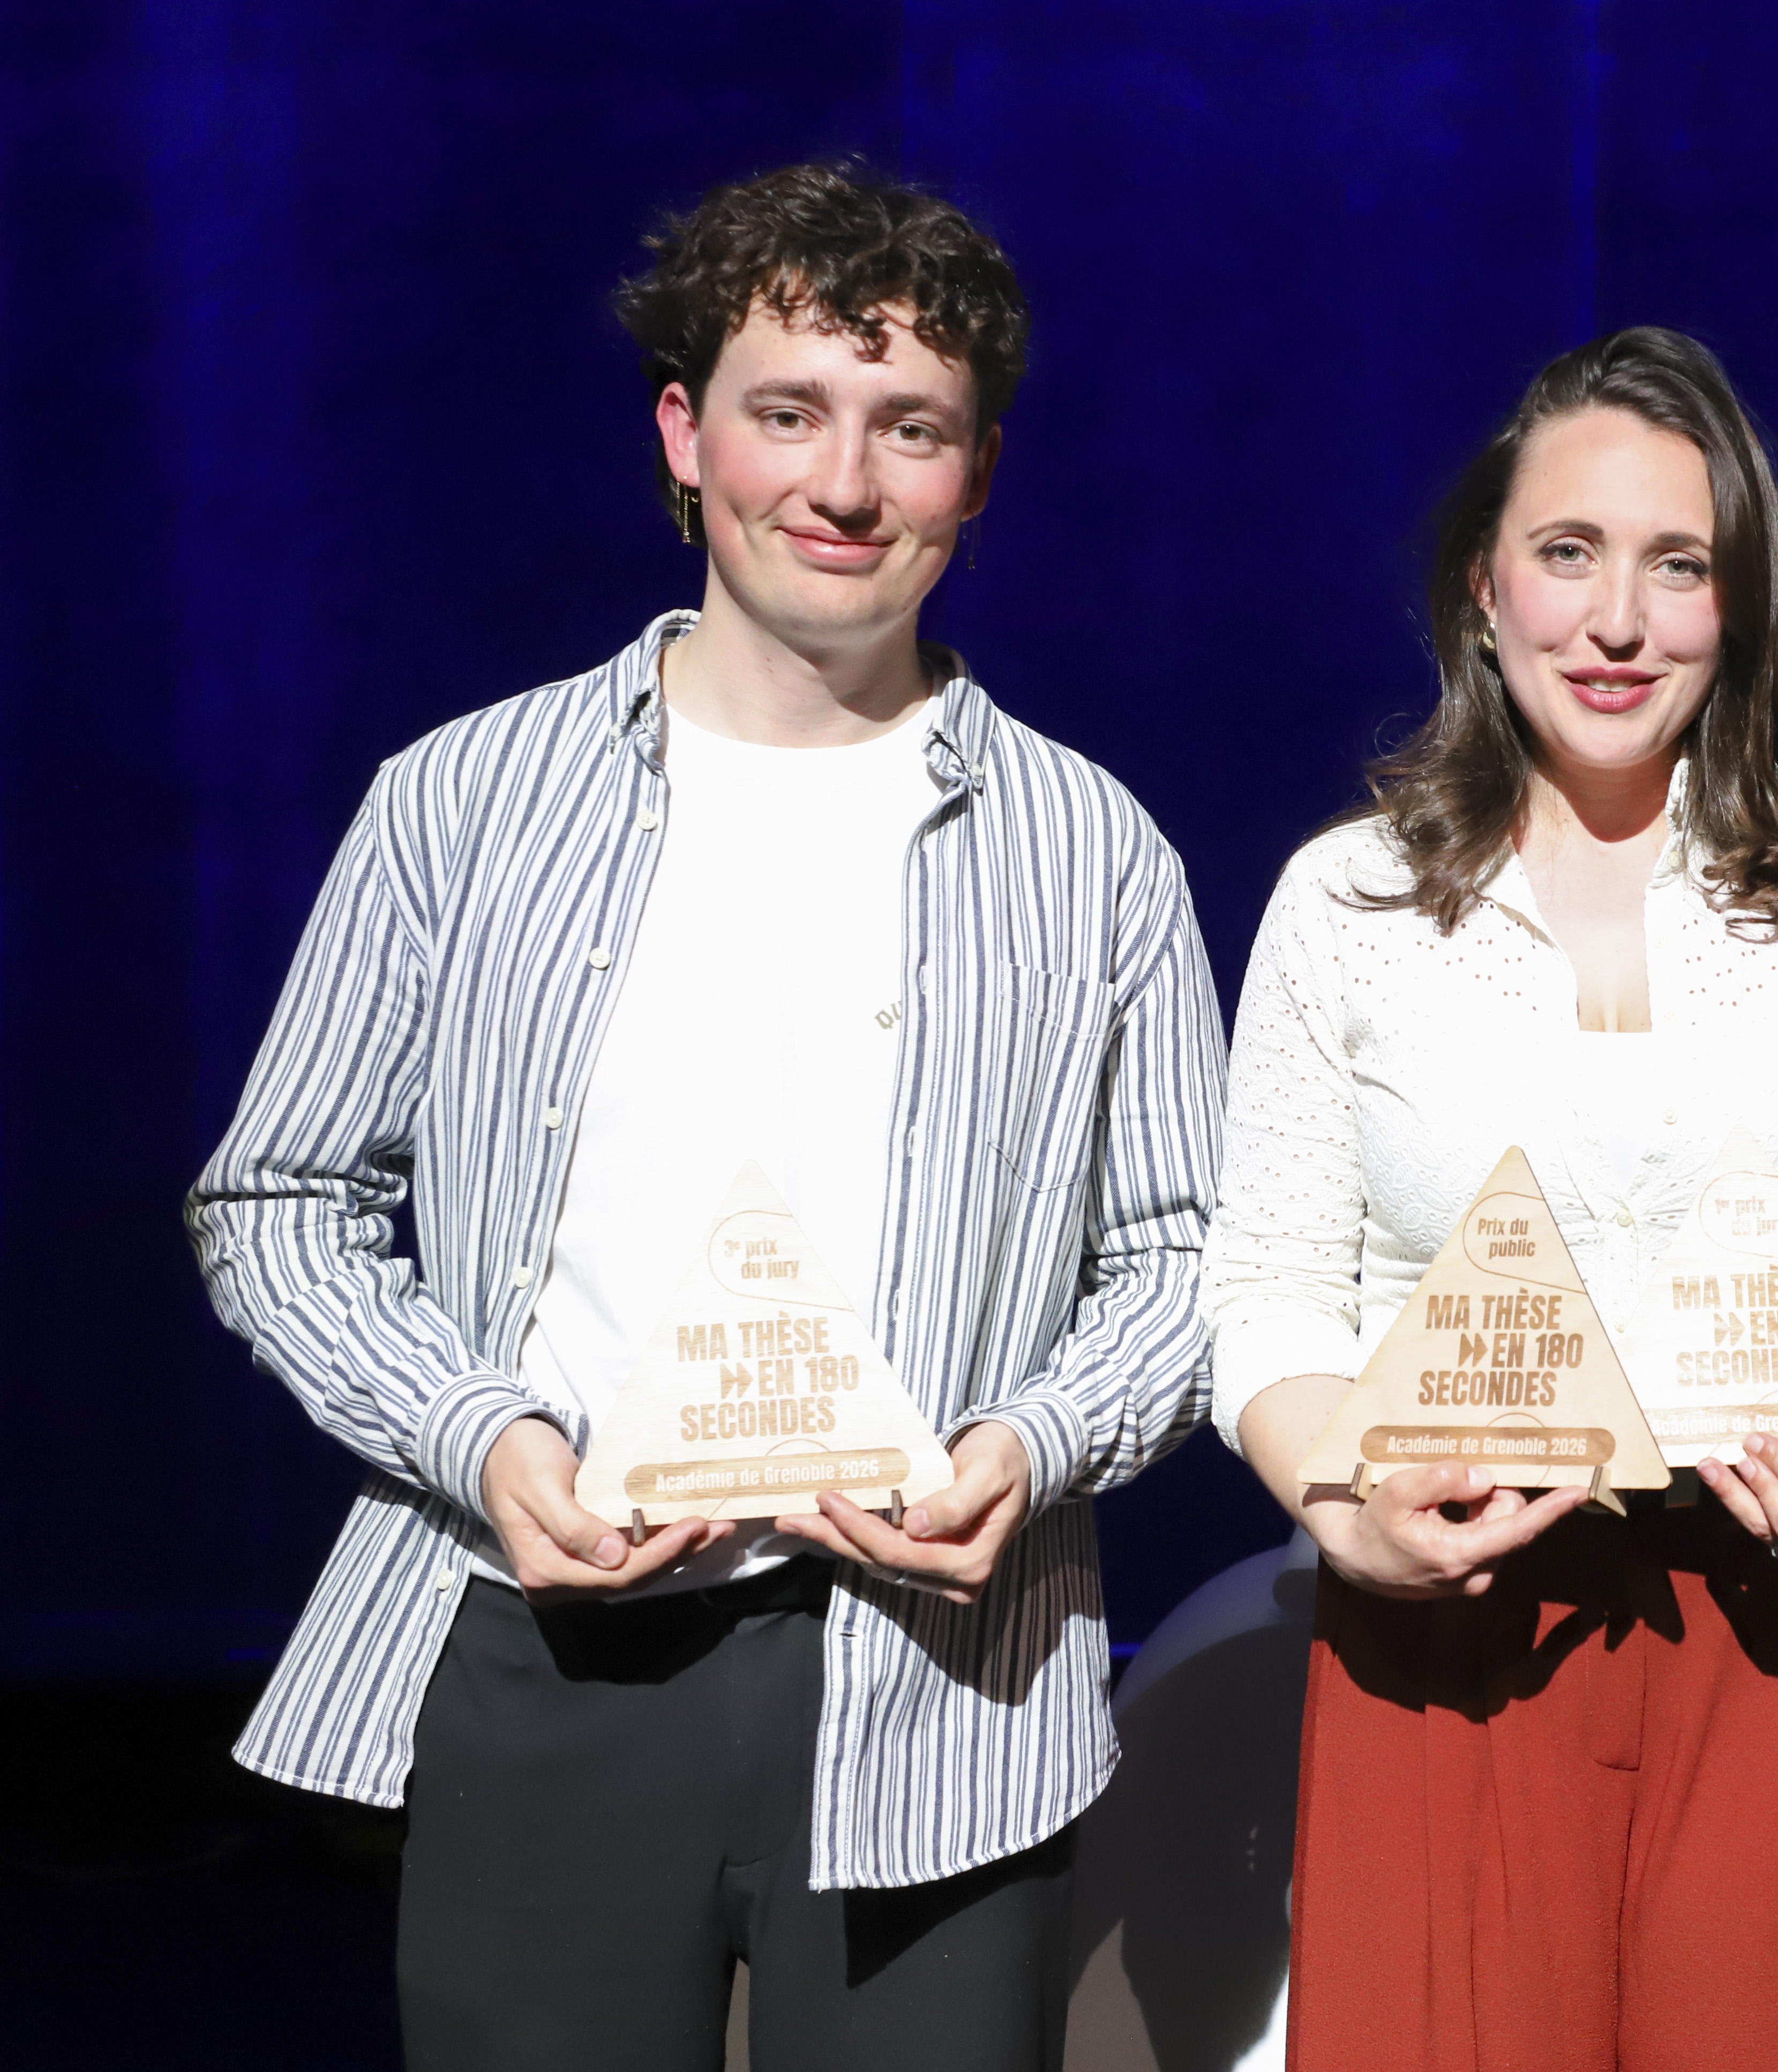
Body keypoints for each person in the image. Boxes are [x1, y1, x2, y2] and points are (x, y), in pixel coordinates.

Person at [185, 162, 1224, 2070]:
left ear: (976, 474)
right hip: (549, 1624)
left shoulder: (1092, 849)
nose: (842, 483)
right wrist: (477, 1435)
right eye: (788, 411)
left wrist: (1035, 1436)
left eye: (910, 428)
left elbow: (1183, 1255)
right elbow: (279, 1196)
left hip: (942, 1674)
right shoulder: (465, 800)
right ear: (685, 432)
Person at [1205, 326, 1778, 2071]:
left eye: (1679, 563)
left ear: (1741, 605)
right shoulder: (1344, 904)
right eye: (1569, 553)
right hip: (1450, 1636)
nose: (1617, 618)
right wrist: (1344, 1508)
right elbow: (1266, 1292)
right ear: (1484, 586)